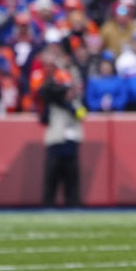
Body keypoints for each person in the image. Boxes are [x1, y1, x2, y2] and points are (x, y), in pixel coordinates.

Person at [36, 49, 84, 208]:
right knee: (51, 179)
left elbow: (81, 115)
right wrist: (55, 101)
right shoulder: (52, 104)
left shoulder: (76, 104)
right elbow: (43, 118)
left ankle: (74, 205)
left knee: (72, 180)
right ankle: (48, 205)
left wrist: (67, 103)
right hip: (55, 143)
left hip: (71, 145)